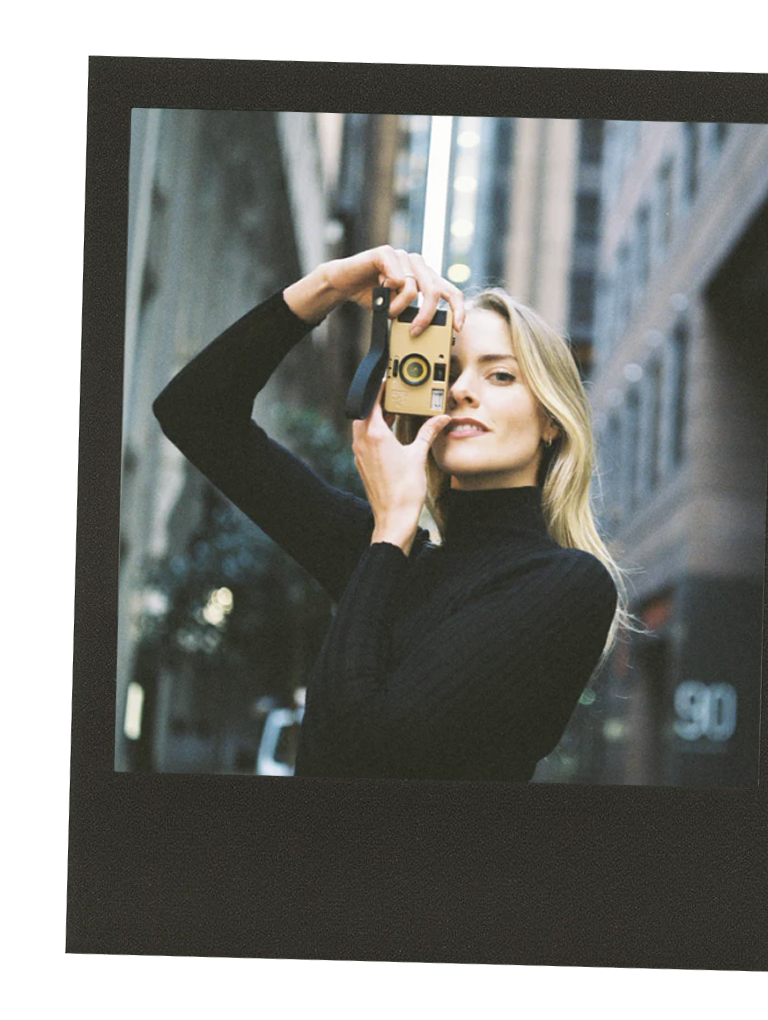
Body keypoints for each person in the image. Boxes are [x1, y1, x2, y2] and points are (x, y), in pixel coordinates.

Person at [153, 245, 626, 781]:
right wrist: (328, 286)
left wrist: (392, 530)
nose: (462, 390)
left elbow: (366, 751)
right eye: (447, 370)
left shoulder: (569, 584)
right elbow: (194, 413)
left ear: (551, 421)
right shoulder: (388, 551)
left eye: (500, 376)